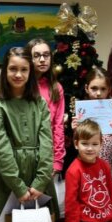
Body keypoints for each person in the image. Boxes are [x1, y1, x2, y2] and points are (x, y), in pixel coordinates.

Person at [0, 47, 58, 222]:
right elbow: (1, 149)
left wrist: (41, 181)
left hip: (39, 174)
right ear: (5, 71)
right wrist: (18, 187)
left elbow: (46, 141)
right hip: (10, 177)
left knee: (43, 221)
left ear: (30, 72)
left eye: (24, 69)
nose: (18, 74)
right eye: (13, 69)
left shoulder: (39, 102)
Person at [71, 67, 112, 186]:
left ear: (109, 89)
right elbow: (78, 142)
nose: (98, 93)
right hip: (91, 158)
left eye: (103, 89)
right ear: (86, 88)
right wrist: (76, 130)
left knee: (110, 190)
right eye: (94, 88)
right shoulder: (82, 112)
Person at [65, 119, 112, 222]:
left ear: (101, 144)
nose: (90, 148)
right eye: (84, 143)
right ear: (76, 144)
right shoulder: (73, 171)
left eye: (94, 144)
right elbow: (71, 204)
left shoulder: (105, 166)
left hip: (105, 220)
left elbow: (111, 192)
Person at [25, 38, 65, 175]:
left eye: (46, 55)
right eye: (36, 56)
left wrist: (57, 160)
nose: (42, 59)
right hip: (25, 152)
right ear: (29, 59)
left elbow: (58, 125)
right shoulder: (21, 86)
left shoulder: (56, 88)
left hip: (47, 153)